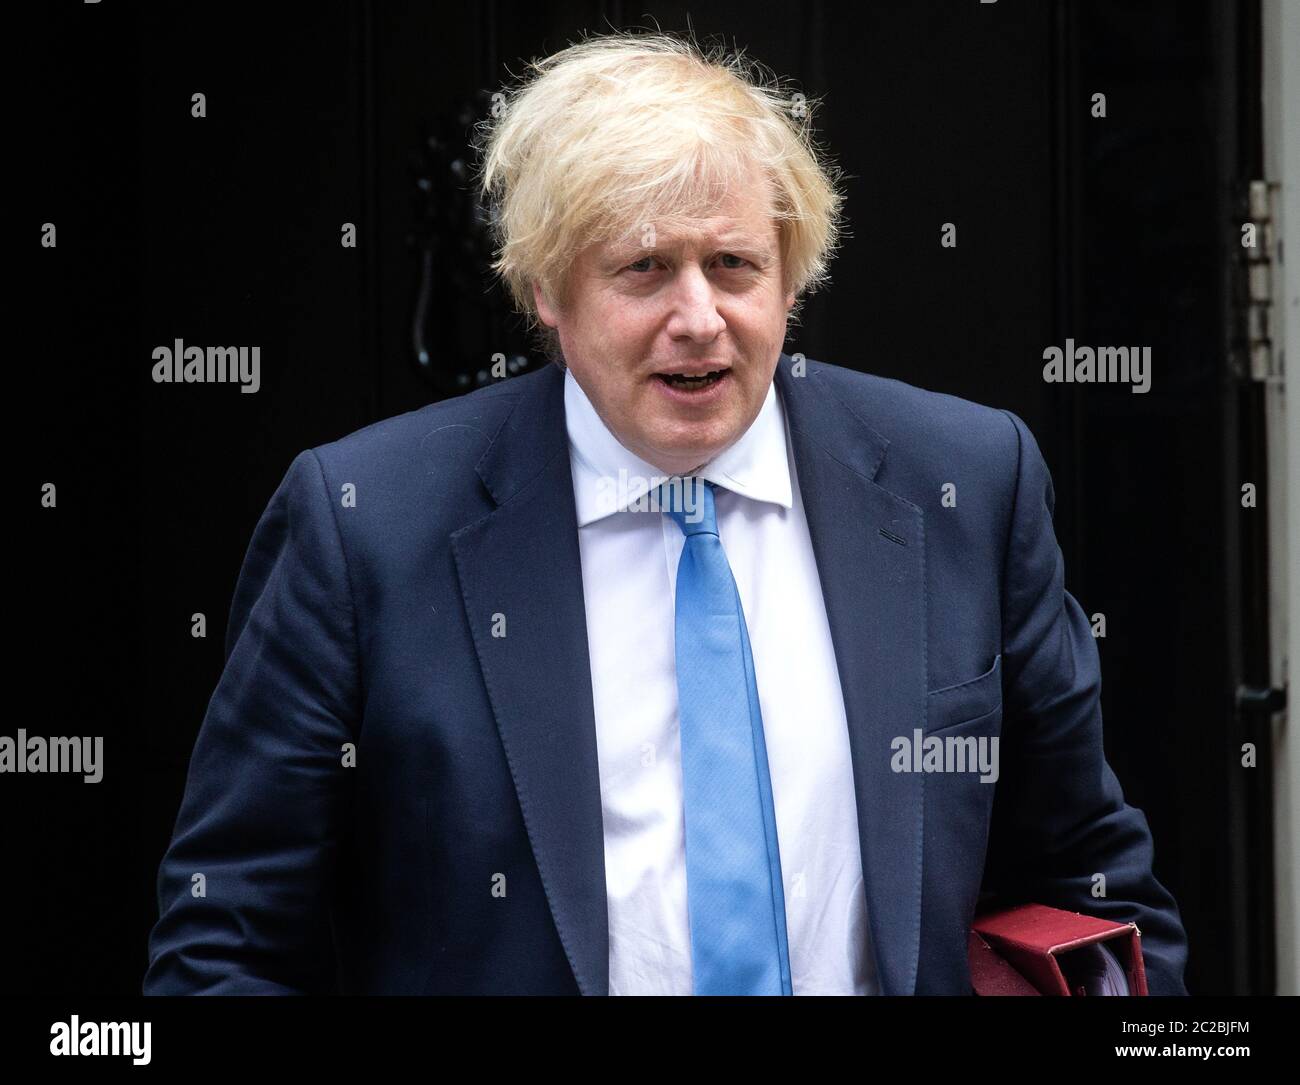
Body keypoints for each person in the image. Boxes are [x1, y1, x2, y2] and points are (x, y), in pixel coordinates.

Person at [143, 30, 1188, 995]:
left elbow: (1090, 877)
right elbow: (226, 938)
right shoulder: (364, 522)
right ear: (548, 289)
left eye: (733, 265)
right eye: (643, 268)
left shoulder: (963, 480)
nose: (698, 318)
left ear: (790, 278)